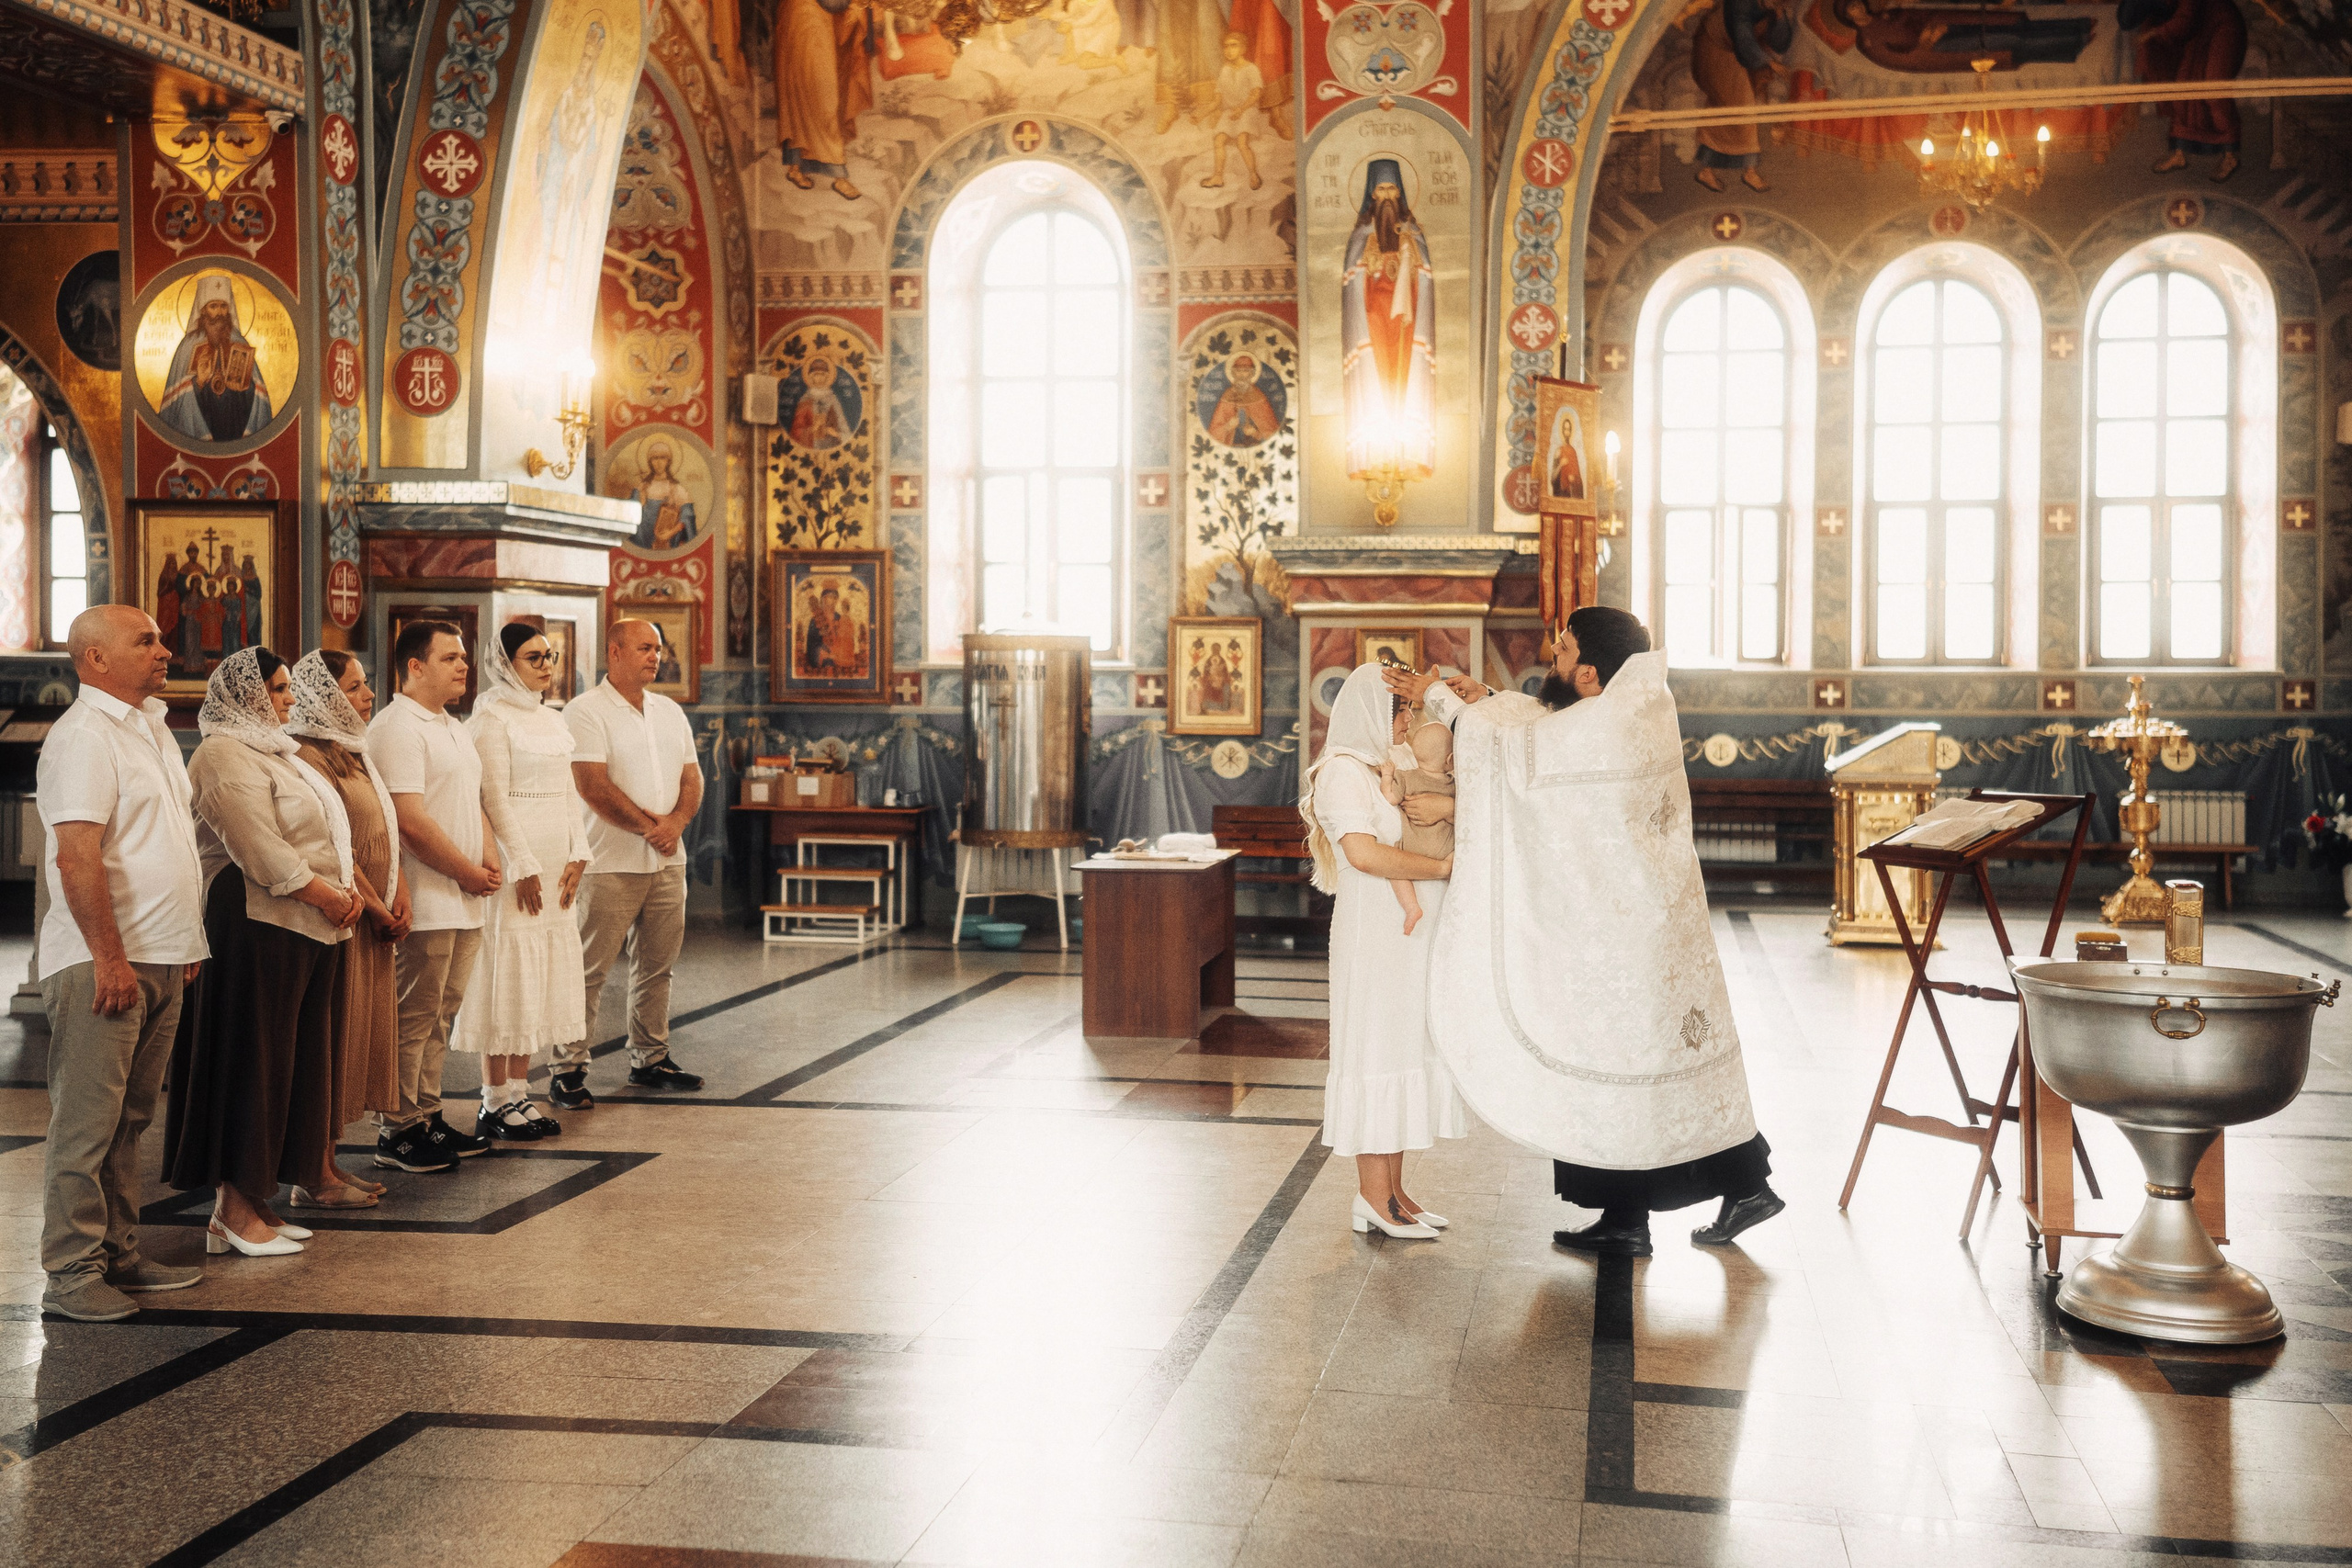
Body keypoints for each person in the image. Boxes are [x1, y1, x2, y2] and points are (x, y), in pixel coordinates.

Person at [1389, 607, 1785, 1258]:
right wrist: (1485, 697)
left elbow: (1526, 755)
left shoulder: (1604, 726)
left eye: (1564, 650)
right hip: (1643, 929)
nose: (1555, 659)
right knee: (1639, 1071)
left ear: (1593, 671)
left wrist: (1436, 696)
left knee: (1616, 1067)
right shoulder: (1635, 707)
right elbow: (1552, 727)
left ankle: (1700, 1198)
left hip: (1621, 938)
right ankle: (1652, 1210)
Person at [34, 605, 209, 1321]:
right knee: (87, 1122)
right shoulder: (81, 738)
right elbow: (78, 856)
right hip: (107, 960)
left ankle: (119, 1252)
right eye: (147, 640)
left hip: (161, 954)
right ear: (96, 659)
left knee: (131, 1116)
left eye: (162, 639)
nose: (164, 650)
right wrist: (110, 958)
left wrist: (184, 944)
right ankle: (73, 1273)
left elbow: (165, 844)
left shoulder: (150, 729)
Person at [164, 648, 363, 1258]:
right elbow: (259, 848)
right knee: (251, 1063)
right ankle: (232, 1209)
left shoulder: (277, 750)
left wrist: (343, 893)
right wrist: (328, 893)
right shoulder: (221, 755)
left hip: (305, 925)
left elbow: (326, 831)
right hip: (252, 924)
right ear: (247, 695)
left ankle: (259, 1201)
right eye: (277, 689)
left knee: (291, 1064)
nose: (287, 699)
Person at [1297, 664, 1464, 1239]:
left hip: (1404, 939)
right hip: (1375, 936)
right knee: (1376, 1054)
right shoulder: (1342, 772)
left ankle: (1394, 1193)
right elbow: (1365, 856)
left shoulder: (1382, 770)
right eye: (1401, 710)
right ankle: (1373, 1197)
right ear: (1371, 710)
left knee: (1401, 1052)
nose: (1409, 719)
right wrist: (1442, 867)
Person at [550, 618, 707, 1107]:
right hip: (607, 861)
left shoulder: (668, 711)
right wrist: (650, 828)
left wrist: (676, 824)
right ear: (614, 652)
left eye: (657, 649)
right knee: (588, 969)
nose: (655, 656)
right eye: (644, 648)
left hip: (667, 859)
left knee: (658, 966)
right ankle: (568, 1068)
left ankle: (650, 1058)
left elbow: (693, 778)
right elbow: (593, 787)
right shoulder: (584, 712)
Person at [368, 621, 498, 1172]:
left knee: (441, 1013)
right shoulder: (398, 727)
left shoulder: (452, 725)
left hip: (464, 896)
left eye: (463, 657)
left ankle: (427, 1113)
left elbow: (473, 801)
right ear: (414, 667)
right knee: (414, 1015)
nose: (463, 666)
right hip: (425, 898)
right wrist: (468, 870)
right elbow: (410, 821)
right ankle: (396, 1129)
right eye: (450, 658)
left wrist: (489, 859)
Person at [455, 624, 590, 1140]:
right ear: (506, 662)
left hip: (557, 868)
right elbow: (493, 800)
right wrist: (522, 865)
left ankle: (520, 1094)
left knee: (539, 979)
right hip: (520, 869)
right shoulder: (490, 720)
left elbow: (567, 794)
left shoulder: (553, 721)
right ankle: (494, 1100)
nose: (546, 664)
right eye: (533, 656)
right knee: (509, 975)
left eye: (550, 655)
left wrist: (579, 854)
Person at [287, 649, 408, 1206]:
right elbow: (336, 846)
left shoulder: (351, 750)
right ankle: (315, 1173)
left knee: (357, 1035)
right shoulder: (307, 756)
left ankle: (329, 1163)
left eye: (366, 684)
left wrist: (398, 887)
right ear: (324, 695)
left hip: (373, 914)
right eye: (355, 687)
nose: (367, 696)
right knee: (334, 1039)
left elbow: (385, 825)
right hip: (346, 914)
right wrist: (377, 905)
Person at [1378, 716, 1453, 938]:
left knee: (1395, 868)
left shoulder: (1406, 777)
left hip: (1413, 850)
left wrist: (1386, 777)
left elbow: (1390, 797)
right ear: (1450, 760)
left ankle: (1412, 908)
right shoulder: (1456, 784)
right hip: (1446, 853)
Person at [1201, 31, 1265, 190]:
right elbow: (1217, 99)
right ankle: (1217, 177)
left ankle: (1253, 174)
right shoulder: (1225, 71)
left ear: (1243, 49)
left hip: (1247, 110)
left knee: (1241, 142)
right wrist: (1201, 114)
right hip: (1230, 112)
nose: (1229, 50)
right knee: (1218, 140)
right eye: (1226, 46)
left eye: (1233, 46)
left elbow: (1256, 93)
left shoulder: (1251, 69)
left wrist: (1241, 109)